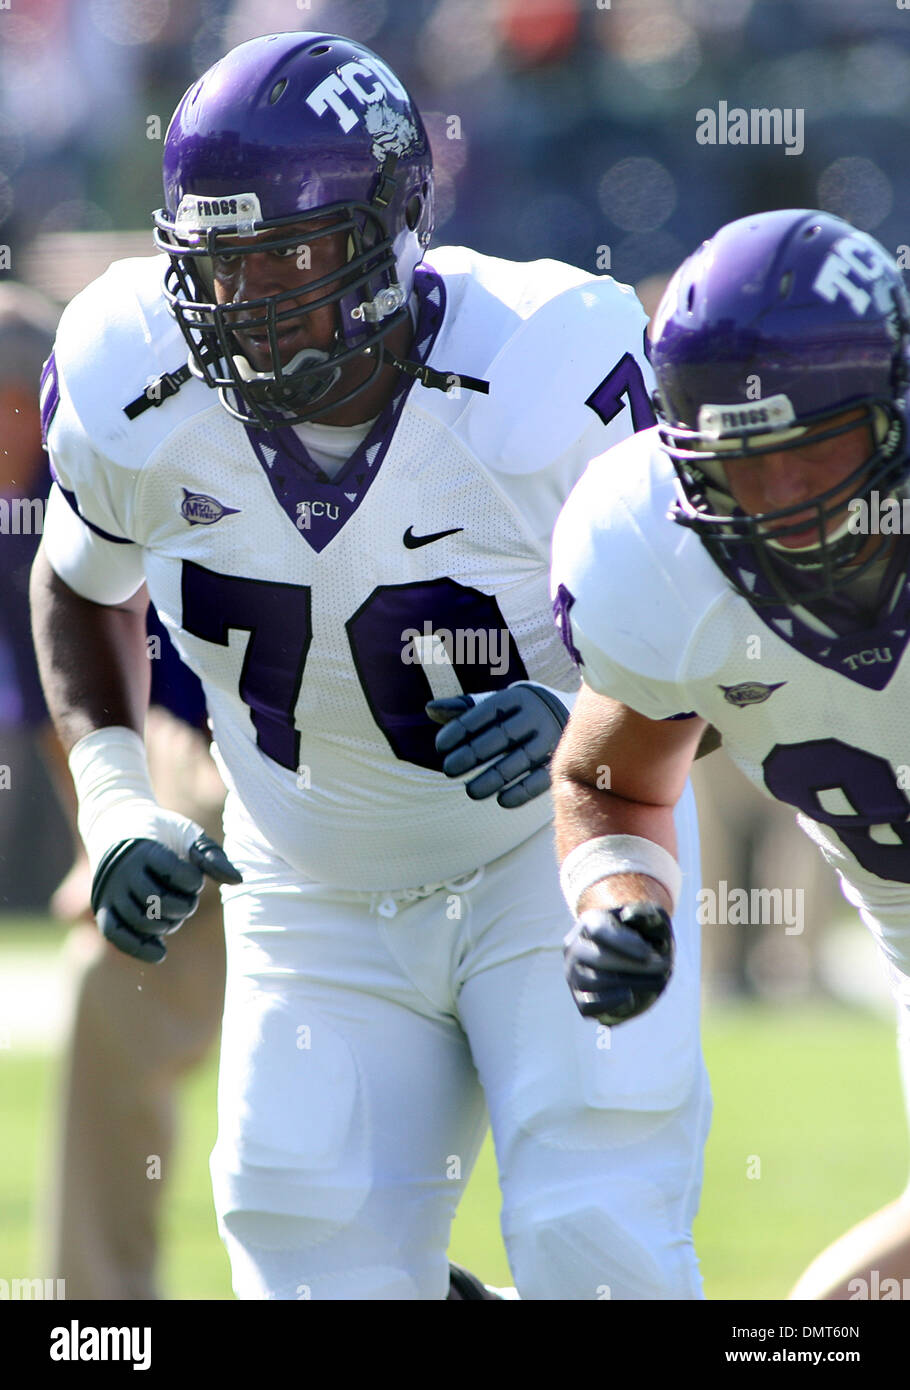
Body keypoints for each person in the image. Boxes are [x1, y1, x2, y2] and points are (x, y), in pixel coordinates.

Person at [30, 30, 708, 1300]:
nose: (250, 303)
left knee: (593, 1241)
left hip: (548, 865)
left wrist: (578, 721)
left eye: (290, 254)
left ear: (399, 224)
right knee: (312, 1269)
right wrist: (117, 802)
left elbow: (716, 630)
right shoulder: (136, 372)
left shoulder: (551, 365)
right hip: (311, 879)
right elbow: (75, 580)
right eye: (217, 268)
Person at [550, 207, 910, 1301]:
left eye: (819, 451)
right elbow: (604, 779)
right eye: (749, 470)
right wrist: (619, 897)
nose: (791, 505)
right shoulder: (652, 562)